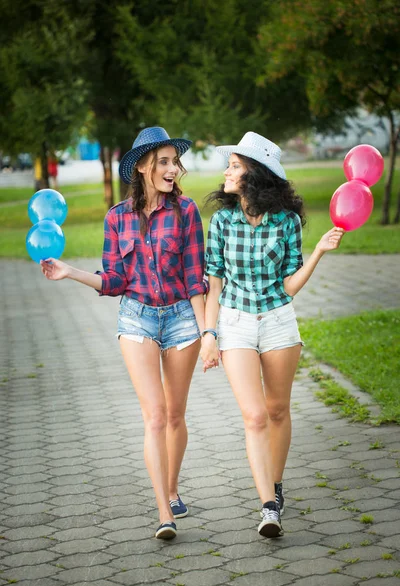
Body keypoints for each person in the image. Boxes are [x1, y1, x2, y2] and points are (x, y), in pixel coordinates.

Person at [40, 126, 207, 540]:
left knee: (174, 414)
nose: (173, 169)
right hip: (137, 319)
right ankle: (164, 512)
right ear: (145, 167)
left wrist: (209, 334)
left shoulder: (186, 212)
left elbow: (195, 279)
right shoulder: (117, 217)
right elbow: (115, 279)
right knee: (153, 416)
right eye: (164, 161)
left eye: (175, 161)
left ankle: (172, 486)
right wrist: (70, 272)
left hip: (183, 318)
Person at [200, 131, 344, 538]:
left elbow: (289, 286)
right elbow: (213, 284)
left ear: (254, 174)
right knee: (255, 414)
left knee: (278, 410)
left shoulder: (286, 221)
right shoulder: (223, 220)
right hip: (236, 322)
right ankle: (267, 507)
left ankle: (276, 486)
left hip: (279, 320)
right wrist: (209, 334)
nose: (226, 172)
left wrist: (317, 252)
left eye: (234, 165)